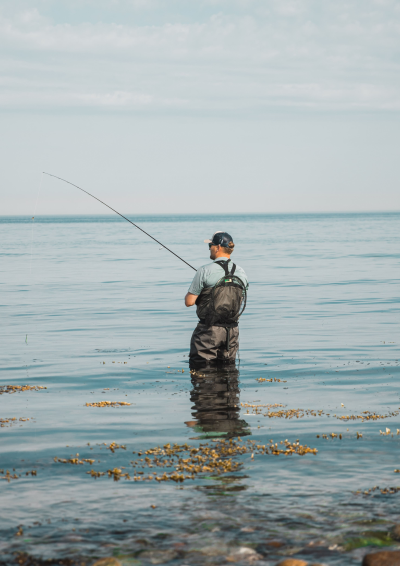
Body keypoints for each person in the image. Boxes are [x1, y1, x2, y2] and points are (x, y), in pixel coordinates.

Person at [185, 231, 248, 368]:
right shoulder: (242, 273)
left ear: (218, 247)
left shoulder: (204, 270)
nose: (209, 248)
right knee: (229, 374)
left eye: (210, 245)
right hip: (231, 332)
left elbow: (189, 302)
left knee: (202, 372)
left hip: (208, 331)